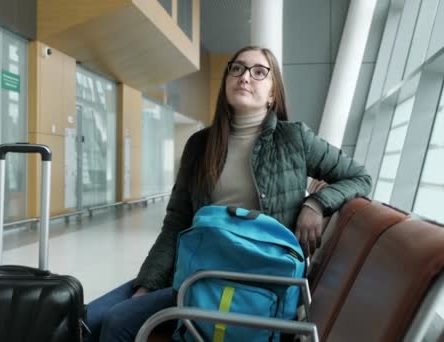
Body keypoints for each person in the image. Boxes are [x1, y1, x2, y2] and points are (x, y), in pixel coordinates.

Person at [85, 45, 372, 341]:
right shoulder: (200, 145)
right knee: (88, 318)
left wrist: (316, 203)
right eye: (237, 68)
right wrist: (146, 285)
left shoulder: (293, 139)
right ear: (226, 82)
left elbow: (360, 177)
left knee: (118, 322)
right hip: (196, 271)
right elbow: (177, 223)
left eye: (259, 72)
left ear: (273, 93)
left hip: (254, 284)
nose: (245, 77)